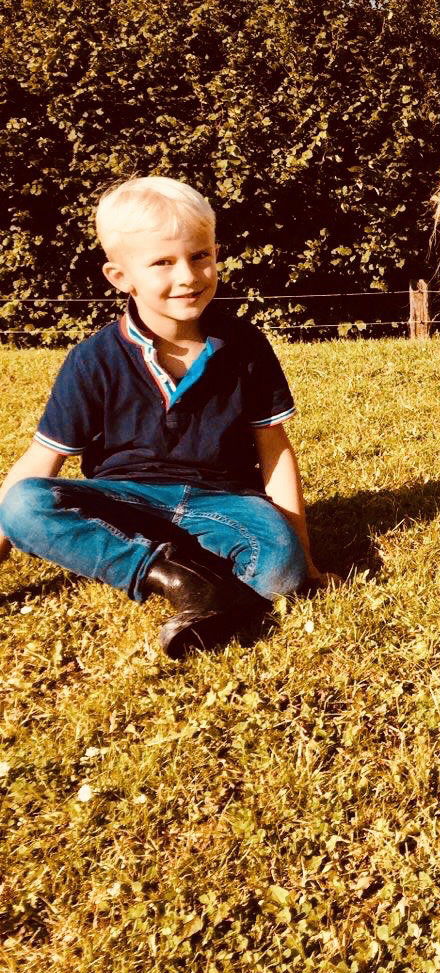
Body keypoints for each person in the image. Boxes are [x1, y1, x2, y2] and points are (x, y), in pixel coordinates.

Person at [0, 176, 316, 658]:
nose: (188, 276)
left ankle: (204, 590)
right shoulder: (93, 360)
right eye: (163, 263)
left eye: (200, 255)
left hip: (223, 501)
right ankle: (177, 576)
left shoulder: (246, 346)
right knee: (23, 504)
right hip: (127, 500)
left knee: (281, 571)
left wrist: (305, 559)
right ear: (120, 277)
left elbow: (274, 450)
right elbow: (43, 460)